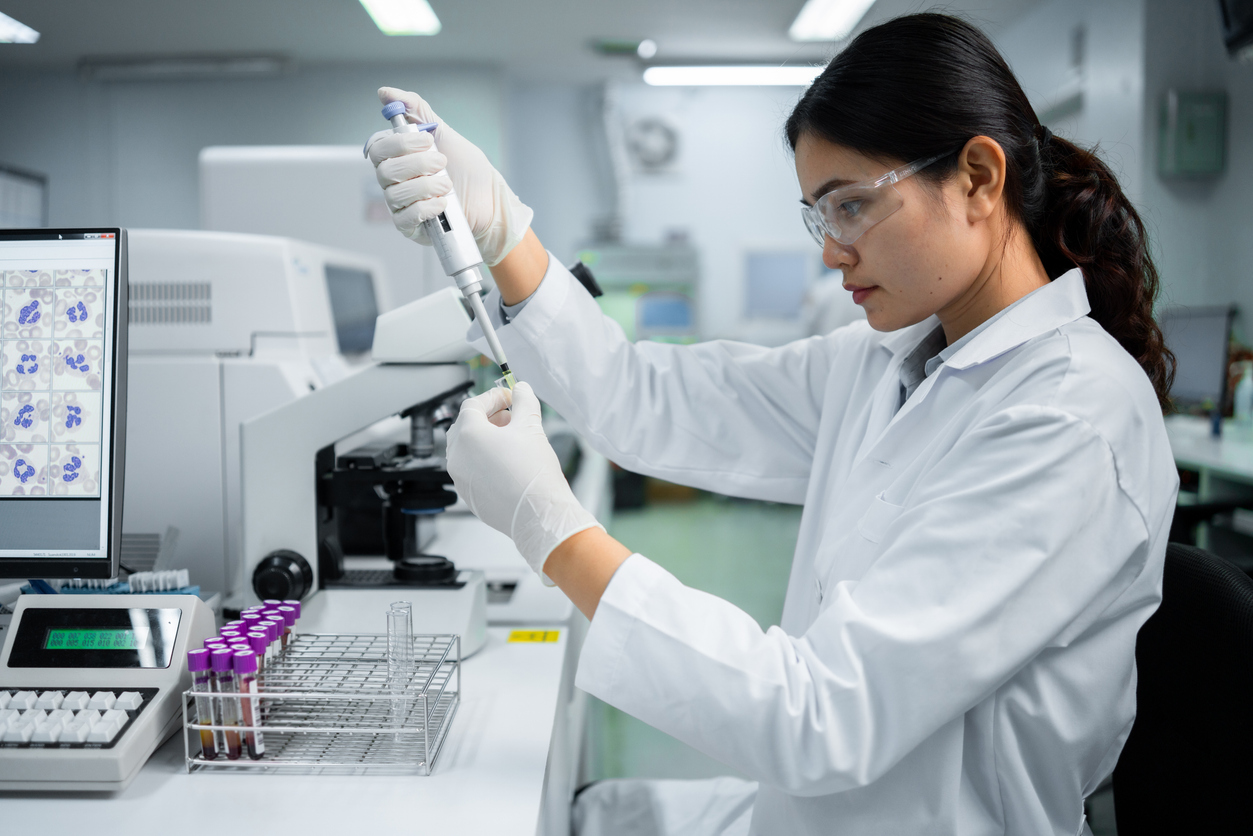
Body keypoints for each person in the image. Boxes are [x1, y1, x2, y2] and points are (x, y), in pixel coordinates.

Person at [367, 13, 1178, 835]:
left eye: (852, 206)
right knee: (591, 816)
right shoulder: (887, 361)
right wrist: (500, 230)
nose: (831, 251)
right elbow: (642, 397)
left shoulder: (1069, 419)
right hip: (813, 813)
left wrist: (553, 533)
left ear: (976, 176)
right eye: (819, 215)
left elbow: (820, 717)